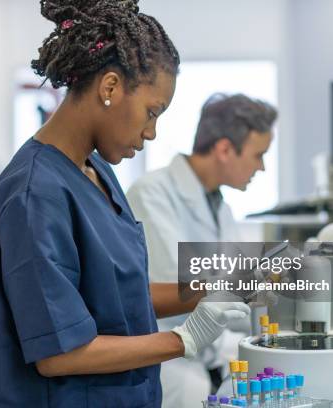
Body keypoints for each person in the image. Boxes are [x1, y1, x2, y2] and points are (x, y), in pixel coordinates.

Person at [0, 1, 250, 407]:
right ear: (109, 87)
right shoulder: (34, 193)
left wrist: (211, 289)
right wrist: (184, 339)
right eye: (151, 112)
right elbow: (60, 354)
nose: (152, 132)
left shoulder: (95, 170)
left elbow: (120, 297)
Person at [126, 93, 278, 407]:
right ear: (224, 149)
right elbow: (183, 288)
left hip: (211, 363)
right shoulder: (152, 194)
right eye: (258, 154)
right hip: (172, 368)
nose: (261, 167)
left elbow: (234, 298)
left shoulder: (221, 207)